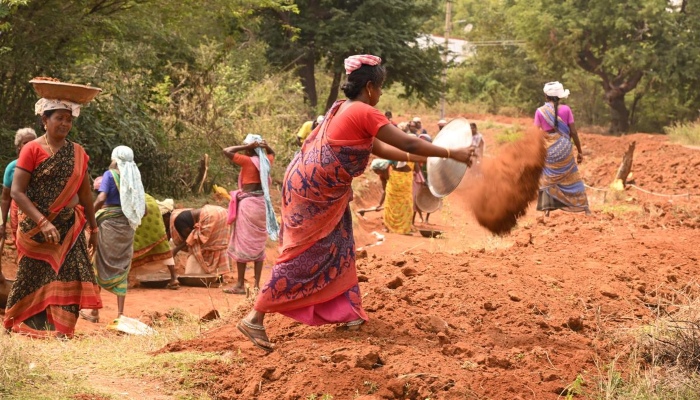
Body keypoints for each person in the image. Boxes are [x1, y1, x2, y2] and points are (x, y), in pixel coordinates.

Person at [236, 54, 475, 352]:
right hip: (317, 192)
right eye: (381, 87)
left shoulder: (342, 108)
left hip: (308, 184)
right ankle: (255, 317)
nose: (381, 94)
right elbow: (407, 141)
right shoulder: (364, 111)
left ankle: (347, 311)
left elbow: (381, 148)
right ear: (371, 87)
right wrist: (451, 153)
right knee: (304, 253)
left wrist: (426, 158)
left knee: (340, 243)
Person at [4, 94, 102, 338]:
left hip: (69, 227)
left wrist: (94, 228)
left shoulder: (77, 152)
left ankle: (61, 331)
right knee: (30, 276)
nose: (65, 124)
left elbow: (85, 194)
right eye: (59, 118)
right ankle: (20, 325)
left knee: (72, 274)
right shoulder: (32, 149)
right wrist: (43, 221)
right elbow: (16, 192)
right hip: (35, 229)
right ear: (45, 120)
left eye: (69, 119)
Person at [82, 146, 146, 322]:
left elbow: (101, 198)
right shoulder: (134, 177)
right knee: (122, 266)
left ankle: (94, 312)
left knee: (98, 262)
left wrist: (88, 216)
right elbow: (143, 208)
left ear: (115, 158)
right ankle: (120, 315)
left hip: (108, 224)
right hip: (127, 226)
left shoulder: (110, 175)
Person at [221, 135, 277, 294]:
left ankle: (240, 284)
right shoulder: (266, 161)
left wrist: (246, 146)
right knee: (259, 245)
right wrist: (265, 146)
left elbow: (226, 151)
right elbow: (272, 153)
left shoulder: (247, 161)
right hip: (262, 205)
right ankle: (257, 285)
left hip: (248, 205)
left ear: (249, 148)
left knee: (242, 243)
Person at [534, 81, 590, 215]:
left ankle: (547, 209)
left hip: (549, 148)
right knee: (572, 175)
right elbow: (573, 132)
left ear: (546, 96)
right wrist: (580, 151)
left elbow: (535, 134)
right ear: (560, 96)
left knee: (548, 176)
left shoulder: (540, 111)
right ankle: (584, 207)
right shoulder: (566, 109)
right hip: (565, 147)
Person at [131, 194, 178, 289]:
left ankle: (125, 280)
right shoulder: (149, 200)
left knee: (131, 247)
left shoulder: (121, 191)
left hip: (141, 211)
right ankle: (174, 278)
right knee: (163, 247)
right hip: (150, 213)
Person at [1, 128, 37, 251]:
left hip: (38, 213)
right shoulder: (12, 168)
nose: (30, 145)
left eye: (33, 142)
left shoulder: (43, 166)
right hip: (18, 213)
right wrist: (2, 223)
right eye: (26, 143)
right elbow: (5, 198)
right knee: (21, 246)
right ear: (19, 147)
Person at [170, 205, 230, 275]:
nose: (184, 236)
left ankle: (208, 272)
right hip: (220, 212)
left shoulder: (204, 221)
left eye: (184, 233)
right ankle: (217, 274)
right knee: (214, 245)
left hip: (212, 216)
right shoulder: (191, 216)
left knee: (203, 246)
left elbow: (192, 238)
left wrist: (176, 249)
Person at [384, 159, 416, 234]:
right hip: (406, 181)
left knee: (390, 203)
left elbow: (385, 166)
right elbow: (417, 170)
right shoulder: (411, 156)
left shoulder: (394, 154)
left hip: (394, 180)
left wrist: (387, 177)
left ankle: (389, 227)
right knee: (406, 204)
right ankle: (404, 229)